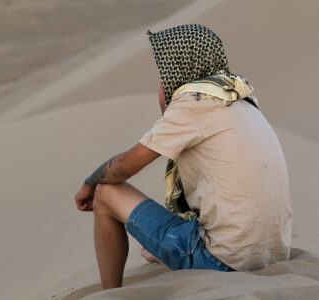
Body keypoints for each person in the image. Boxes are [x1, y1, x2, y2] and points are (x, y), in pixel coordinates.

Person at [74, 24, 293, 290]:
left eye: (163, 73)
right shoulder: (240, 98)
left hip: (224, 262)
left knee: (106, 192)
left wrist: (89, 185)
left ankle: (109, 295)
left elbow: (122, 167)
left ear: (177, 69)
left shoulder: (193, 104)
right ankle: (167, 247)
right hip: (273, 256)